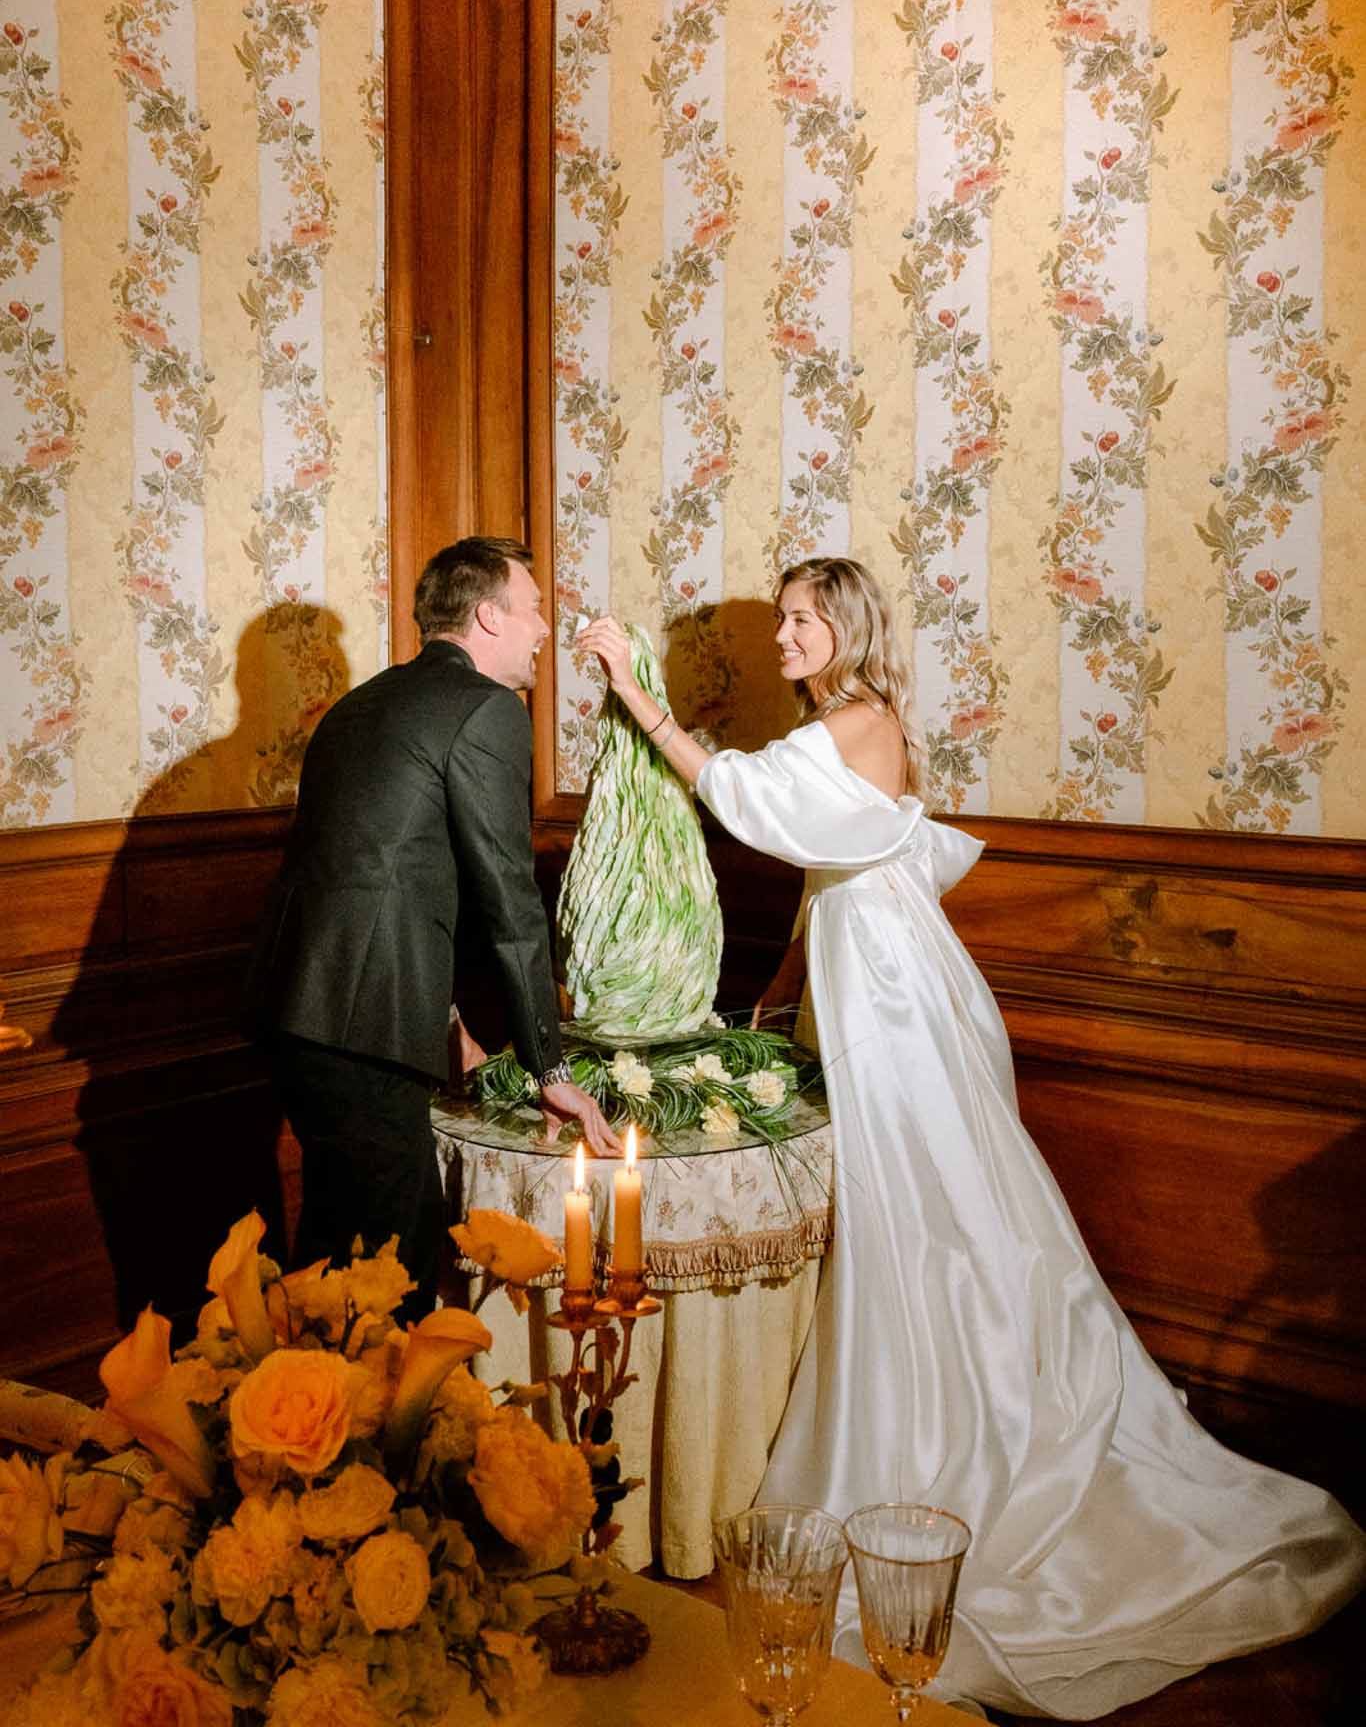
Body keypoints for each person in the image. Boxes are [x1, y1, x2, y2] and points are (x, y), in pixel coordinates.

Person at [579, 560, 1366, 1721]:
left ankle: (969, 1434)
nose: (785, 635)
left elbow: (741, 796)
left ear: (846, 629)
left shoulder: (854, 719)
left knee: (928, 1209)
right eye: (785, 617)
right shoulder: (847, 727)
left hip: (896, 1005)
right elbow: (831, 870)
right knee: (927, 1211)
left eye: (802, 618)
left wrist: (637, 693)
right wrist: (786, 979)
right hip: (877, 980)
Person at [246, 536, 620, 1320]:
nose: (546, 630)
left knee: (331, 1256)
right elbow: (509, 899)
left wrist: (448, 1020)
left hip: (295, 1007)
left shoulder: (360, 706)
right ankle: (373, 1438)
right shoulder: (487, 709)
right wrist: (552, 1071)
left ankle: (297, 1432)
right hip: (362, 1027)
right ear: (488, 616)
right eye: (534, 609)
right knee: (395, 1273)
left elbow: (383, 875)